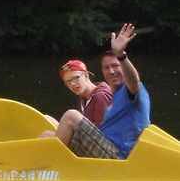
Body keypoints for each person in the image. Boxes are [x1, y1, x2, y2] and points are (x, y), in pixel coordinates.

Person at [42, 23, 150, 159]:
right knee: (46, 134)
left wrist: (121, 55)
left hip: (118, 157)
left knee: (71, 116)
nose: (111, 71)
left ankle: (47, 168)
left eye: (115, 66)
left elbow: (134, 80)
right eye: (106, 68)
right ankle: (29, 171)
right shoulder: (112, 97)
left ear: (86, 75)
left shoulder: (130, 92)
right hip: (104, 149)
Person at [58, 60, 112, 127]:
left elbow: (107, 129)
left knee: (70, 115)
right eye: (68, 82)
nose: (72, 84)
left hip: (107, 136)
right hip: (94, 135)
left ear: (86, 75)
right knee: (48, 124)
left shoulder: (100, 96)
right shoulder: (83, 99)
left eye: (75, 78)